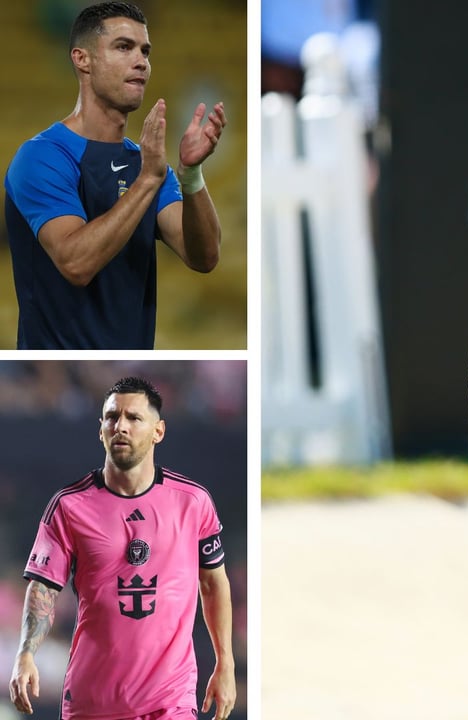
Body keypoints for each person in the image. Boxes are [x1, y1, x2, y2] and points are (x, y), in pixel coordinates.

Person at [7, 376, 236, 719]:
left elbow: (213, 582)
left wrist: (226, 664)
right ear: (100, 428)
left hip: (170, 700)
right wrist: (26, 653)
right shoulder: (70, 506)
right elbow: (43, 586)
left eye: (133, 418)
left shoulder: (193, 502)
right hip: (92, 701)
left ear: (158, 431)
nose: (121, 427)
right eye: (112, 418)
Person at [3, 2, 226, 349]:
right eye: (124, 47)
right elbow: (76, 263)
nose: (141, 62)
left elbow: (204, 257)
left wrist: (191, 174)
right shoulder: (43, 156)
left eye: (145, 51)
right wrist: (148, 181)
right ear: (83, 59)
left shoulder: (147, 165)